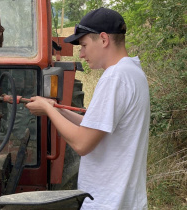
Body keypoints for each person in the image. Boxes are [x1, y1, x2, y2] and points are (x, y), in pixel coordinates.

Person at [25, 7, 150, 210]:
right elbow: (94, 127)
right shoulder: (133, 72)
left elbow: (82, 143)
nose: (81, 54)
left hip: (108, 202)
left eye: (83, 45)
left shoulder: (115, 77)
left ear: (103, 39)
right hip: (125, 200)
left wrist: (48, 112)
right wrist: (56, 108)